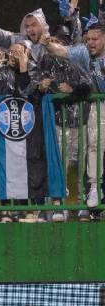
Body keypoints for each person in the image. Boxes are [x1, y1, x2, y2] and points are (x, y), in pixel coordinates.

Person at [43, 23, 105, 212]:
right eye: (88, 39)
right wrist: (46, 42)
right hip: (97, 105)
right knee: (94, 144)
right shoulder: (84, 53)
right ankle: (94, 188)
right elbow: (60, 50)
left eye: (95, 39)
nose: (90, 43)